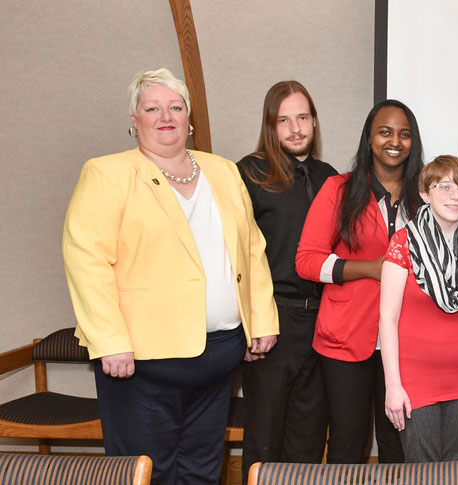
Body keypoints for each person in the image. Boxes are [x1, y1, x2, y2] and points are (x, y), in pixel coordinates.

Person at [63, 68, 278, 484]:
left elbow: (251, 248)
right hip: (141, 363)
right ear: (133, 120)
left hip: (218, 357)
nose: (166, 116)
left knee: (202, 469)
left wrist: (261, 320)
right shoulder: (107, 173)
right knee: (146, 472)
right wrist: (110, 342)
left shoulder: (223, 171)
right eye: (152, 108)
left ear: (189, 117)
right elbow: (86, 261)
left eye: (176, 107)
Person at [296, 99, 424, 463]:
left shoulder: (427, 196)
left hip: (407, 341)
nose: (394, 141)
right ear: (369, 139)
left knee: (398, 444)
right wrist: (370, 268)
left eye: (404, 134)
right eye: (385, 132)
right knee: (348, 444)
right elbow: (306, 261)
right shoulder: (339, 189)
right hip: (345, 338)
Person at [236, 80, 338, 480]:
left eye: (303, 117)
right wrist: (248, 325)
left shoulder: (329, 177)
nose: (296, 129)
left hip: (322, 323)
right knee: (265, 437)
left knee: (310, 435)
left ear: (314, 121)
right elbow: (237, 254)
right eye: (284, 120)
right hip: (271, 323)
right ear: (270, 126)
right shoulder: (250, 173)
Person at [377, 156, 458, 462]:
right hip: (415, 381)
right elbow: (387, 319)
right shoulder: (404, 242)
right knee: (423, 472)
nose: (454, 196)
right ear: (425, 194)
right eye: (444, 187)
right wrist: (392, 386)